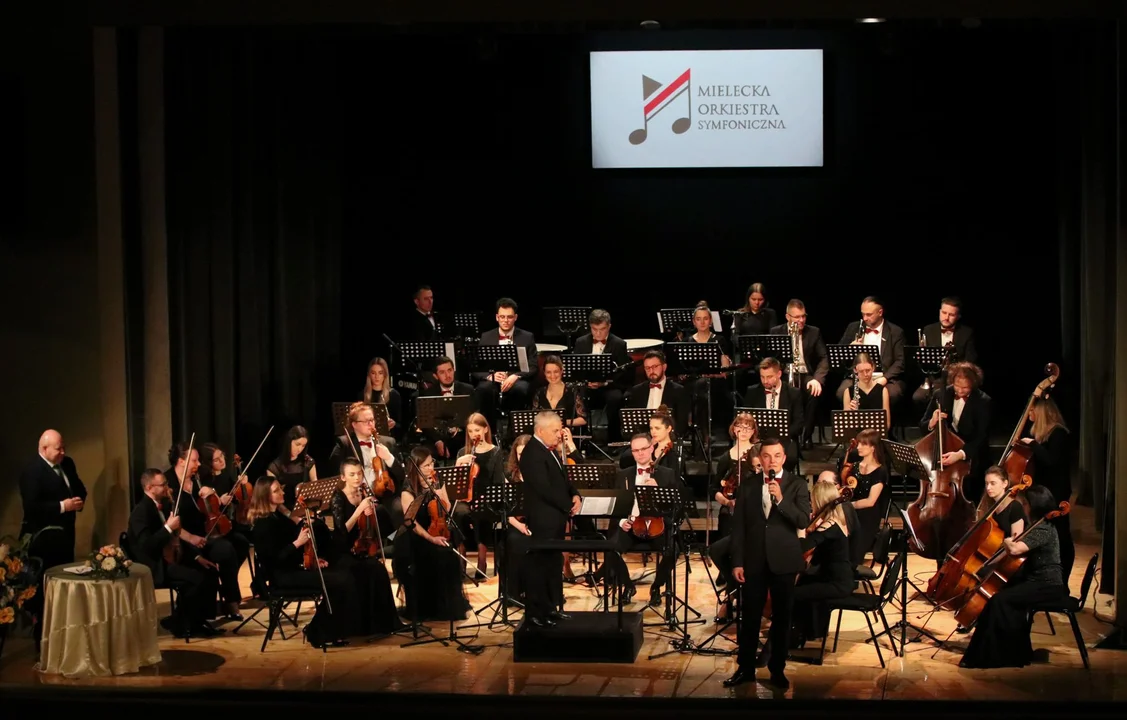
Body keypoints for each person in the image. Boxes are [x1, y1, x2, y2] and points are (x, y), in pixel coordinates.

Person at [724, 437, 810, 690]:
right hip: (754, 561)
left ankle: (777, 670)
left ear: (784, 458)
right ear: (760, 459)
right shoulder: (748, 485)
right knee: (750, 617)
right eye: (766, 456)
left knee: (782, 618)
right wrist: (737, 561)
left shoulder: (797, 484)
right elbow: (739, 527)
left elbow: (803, 520)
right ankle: (745, 668)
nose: (772, 461)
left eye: (777, 455)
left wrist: (781, 500)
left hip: (784, 560)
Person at [959, 485, 1067, 668]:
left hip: (1047, 585)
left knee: (999, 600)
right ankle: (1014, 653)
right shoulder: (1036, 525)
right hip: (1036, 582)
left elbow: (1016, 549)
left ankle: (993, 656)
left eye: (1025, 504)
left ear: (1034, 505)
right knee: (1003, 598)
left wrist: (1008, 540)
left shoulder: (1044, 529)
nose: (1023, 507)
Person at [247, 476, 356, 649]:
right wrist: (297, 543)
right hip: (281, 577)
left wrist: (313, 560)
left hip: (293, 570)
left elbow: (292, 551)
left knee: (344, 577)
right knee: (339, 581)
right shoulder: (263, 524)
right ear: (265, 496)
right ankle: (317, 631)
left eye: (280, 488)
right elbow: (273, 561)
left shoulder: (279, 517)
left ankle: (328, 629)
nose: (282, 492)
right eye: (276, 491)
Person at [127, 468, 221, 638]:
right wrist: (168, 528)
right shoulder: (140, 512)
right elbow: (147, 546)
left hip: (171, 558)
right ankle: (184, 625)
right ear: (149, 488)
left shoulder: (163, 506)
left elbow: (176, 539)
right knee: (196, 579)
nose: (167, 487)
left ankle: (196, 621)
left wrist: (197, 557)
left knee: (210, 570)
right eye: (162, 485)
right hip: (155, 564)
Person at [519, 411, 582, 628]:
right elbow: (544, 488)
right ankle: (535, 613)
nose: (559, 434)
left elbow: (562, 479)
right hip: (543, 519)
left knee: (553, 564)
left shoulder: (550, 450)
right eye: (555, 430)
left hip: (555, 517)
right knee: (540, 566)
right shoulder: (532, 453)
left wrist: (575, 494)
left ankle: (550, 608)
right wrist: (567, 504)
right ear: (540, 430)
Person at [330, 457, 407, 634]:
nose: (357, 478)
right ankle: (364, 624)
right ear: (343, 477)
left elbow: (375, 524)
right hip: (343, 551)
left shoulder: (363, 493)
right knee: (368, 570)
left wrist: (371, 513)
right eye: (352, 474)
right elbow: (341, 532)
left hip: (362, 547)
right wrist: (359, 511)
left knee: (380, 571)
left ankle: (383, 623)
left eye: (359, 473)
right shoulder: (338, 498)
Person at [394, 446, 471, 621]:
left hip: (436, 528)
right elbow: (411, 523)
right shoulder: (408, 488)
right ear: (416, 468)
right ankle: (429, 607)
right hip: (416, 535)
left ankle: (446, 606)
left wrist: (440, 494)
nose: (431, 468)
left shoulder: (437, 480)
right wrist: (431, 538)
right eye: (426, 466)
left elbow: (447, 509)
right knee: (434, 555)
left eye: (432, 463)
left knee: (449, 556)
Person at [791, 481, 855, 648]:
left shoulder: (829, 525)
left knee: (791, 593)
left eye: (812, 501)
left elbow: (802, 546)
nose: (811, 505)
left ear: (819, 501)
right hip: (837, 579)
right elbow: (818, 557)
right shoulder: (836, 521)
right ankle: (804, 633)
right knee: (804, 582)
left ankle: (792, 636)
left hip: (837, 584)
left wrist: (802, 529)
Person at [1019, 395, 1074, 583]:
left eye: (1032, 410)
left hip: (1057, 493)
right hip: (1044, 492)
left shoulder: (1059, 433)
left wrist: (1033, 445)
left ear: (1041, 412)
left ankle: (1062, 581)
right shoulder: (1041, 433)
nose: (1029, 413)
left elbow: (1051, 461)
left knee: (1061, 536)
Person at [19, 429, 87, 571]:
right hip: (43, 541)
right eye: (58, 449)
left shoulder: (67, 463)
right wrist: (63, 506)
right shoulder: (32, 471)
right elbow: (32, 508)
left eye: (64, 448)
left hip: (67, 537)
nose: (63, 452)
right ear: (44, 449)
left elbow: (79, 489)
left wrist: (78, 502)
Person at [453, 413, 505, 578]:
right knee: (458, 513)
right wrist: (460, 464)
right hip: (466, 496)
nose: (473, 434)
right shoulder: (463, 452)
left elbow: (498, 481)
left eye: (477, 430)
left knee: (481, 512)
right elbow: (456, 483)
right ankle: (461, 559)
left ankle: (482, 561)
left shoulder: (495, 452)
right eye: (470, 431)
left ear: (485, 429)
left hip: (486, 497)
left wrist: (486, 497)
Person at [846, 429, 889, 568]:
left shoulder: (880, 471)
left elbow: (871, 501)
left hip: (867, 517)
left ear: (873, 447)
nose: (858, 447)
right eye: (858, 443)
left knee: (854, 554)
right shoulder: (854, 467)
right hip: (850, 514)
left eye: (863, 444)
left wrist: (849, 505)